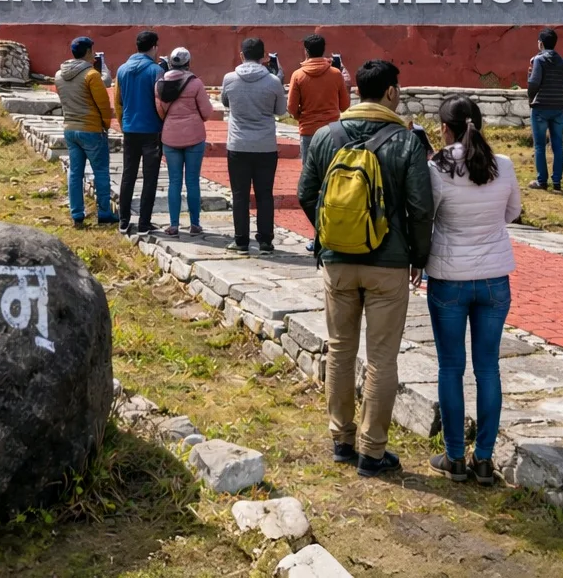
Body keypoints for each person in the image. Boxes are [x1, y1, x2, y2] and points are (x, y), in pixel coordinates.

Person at [297, 59, 434, 479]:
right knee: (381, 358)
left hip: (337, 263)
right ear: (391, 91)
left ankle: (342, 439)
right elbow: (420, 207)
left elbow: (306, 193)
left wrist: (329, 236)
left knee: (339, 349)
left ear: (356, 89)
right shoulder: (407, 142)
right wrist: (418, 256)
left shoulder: (325, 135)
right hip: (388, 266)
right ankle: (373, 452)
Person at [425, 96, 520, 487]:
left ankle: (453, 456)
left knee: (451, 367)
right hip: (495, 278)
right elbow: (511, 213)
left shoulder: (438, 167)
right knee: (488, 368)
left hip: (449, 278)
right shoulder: (505, 165)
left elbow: (426, 213)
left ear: (444, 129)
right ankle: (484, 458)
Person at [221, 37, 287, 253]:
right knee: (264, 193)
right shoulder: (273, 82)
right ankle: (266, 241)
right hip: (265, 145)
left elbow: (225, 102)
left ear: (241, 55)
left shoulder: (229, 78)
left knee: (239, 194)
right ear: (264, 57)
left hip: (238, 144)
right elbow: (280, 111)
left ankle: (241, 241)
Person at [57, 36, 117, 228]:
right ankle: (105, 212)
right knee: (100, 171)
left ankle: (77, 215)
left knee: (75, 172)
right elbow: (103, 105)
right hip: (91, 129)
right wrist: (105, 125)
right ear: (89, 52)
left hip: (70, 128)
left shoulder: (59, 75)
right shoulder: (91, 76)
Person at [155, 47, 216, 237]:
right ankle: (195, 224)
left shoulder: (160, 84)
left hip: (170, 136)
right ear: (188, 62)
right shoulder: (195, 83)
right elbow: (206, 112)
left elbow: (160, 112)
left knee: (174, 181)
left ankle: (173, 225)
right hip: (194, 136)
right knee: (192, 181)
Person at [113, 30, 167, 236]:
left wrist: (123, 122)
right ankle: (144, 223)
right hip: (151, 130)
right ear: (154, 46)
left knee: (128, 176)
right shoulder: (155, 71)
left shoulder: (122, 70)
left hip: (130, 129)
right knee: (150, 178)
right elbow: (160, 102)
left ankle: (124, 221)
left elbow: (118, 101)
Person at [288, 33, 352, 165]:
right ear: (324, 50)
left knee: (309, 173)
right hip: (332, 130)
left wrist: (302, 118)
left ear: (306, 52)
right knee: (331, 173)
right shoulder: (336, 74)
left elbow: (291, 108)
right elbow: (345, 106)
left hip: (308, 130)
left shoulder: (298, 75)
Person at [525, 29, 563, 191]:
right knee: (558, 146)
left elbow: (534, 82)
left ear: (541, 43)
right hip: (558, 107)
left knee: (539, 146)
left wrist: (531, 98)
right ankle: (557, 182)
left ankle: (541, 181)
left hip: (541, 107)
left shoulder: (539, 60)